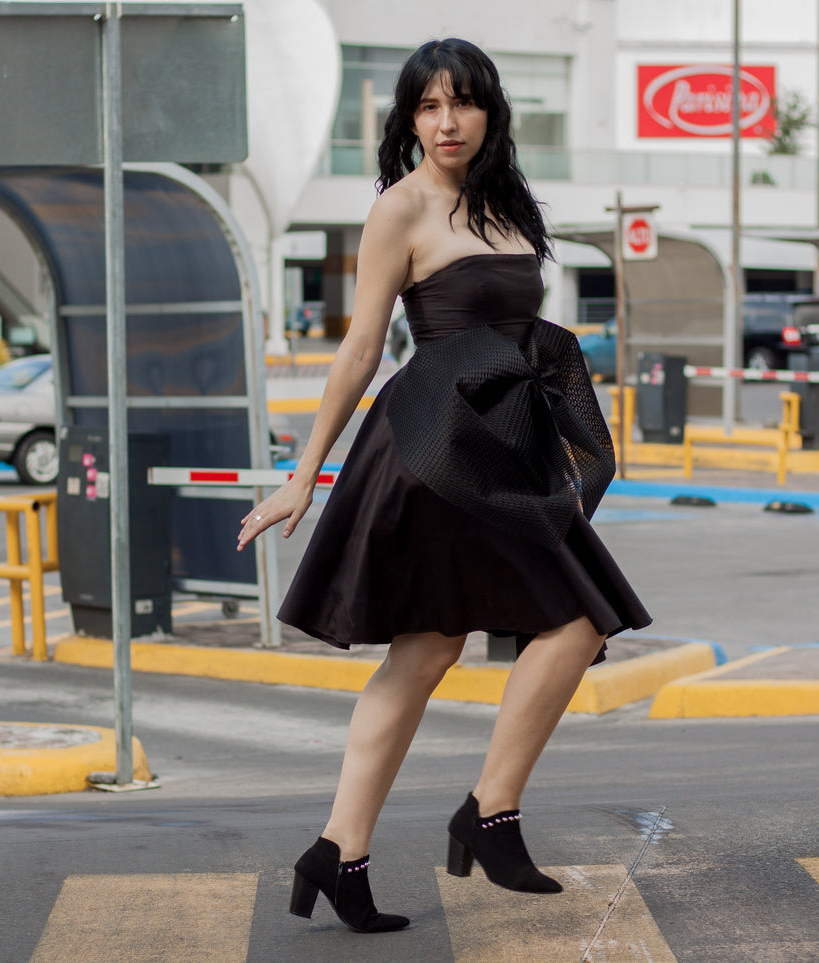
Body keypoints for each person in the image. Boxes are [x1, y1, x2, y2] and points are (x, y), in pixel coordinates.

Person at [236, 38, 652, 934]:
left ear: (490, 112)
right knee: (494, 636)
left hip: (501, 446)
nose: (445, 121)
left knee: (479, 642)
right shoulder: (400, 207)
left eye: (461, 103)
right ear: (407, 119)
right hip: (431, 445)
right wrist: (300, 476)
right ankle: (479, 816)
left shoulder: (506, 203)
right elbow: (357, 349)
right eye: (426, 106)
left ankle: (341, 850)